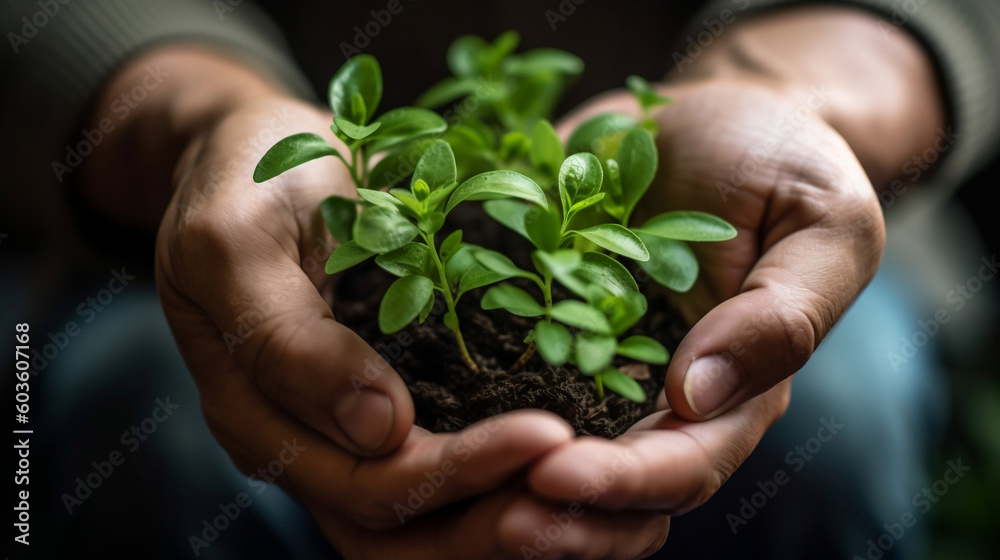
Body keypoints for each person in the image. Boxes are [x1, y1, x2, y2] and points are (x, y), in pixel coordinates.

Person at [2, 0, 997, 558]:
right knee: (151, 409)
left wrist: (784, 91)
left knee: (838, 408)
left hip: (736, 237)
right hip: (173, 233)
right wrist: (196, 120)